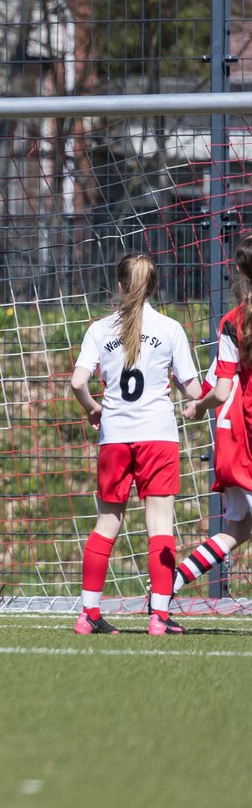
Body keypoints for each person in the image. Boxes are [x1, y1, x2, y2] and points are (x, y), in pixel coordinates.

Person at [70, 252, 200, 635]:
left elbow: (78, 382)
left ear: (120, 286)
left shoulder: (99, 329)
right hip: (157, 436)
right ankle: (159, 616)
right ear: (152, 287)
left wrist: (94, 408)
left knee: (106, 523)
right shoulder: (170, 328)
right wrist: (203, 401)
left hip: (115, 437)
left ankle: (89, 613)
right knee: (159, 525)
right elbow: (191, 387)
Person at [177, 239, 252, 599]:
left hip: (239, 437)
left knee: (237, 529)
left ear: (238, 272)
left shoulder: (231, 322)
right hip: (245, 439)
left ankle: (171, 583)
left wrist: (197, 406)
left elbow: (220, 391)